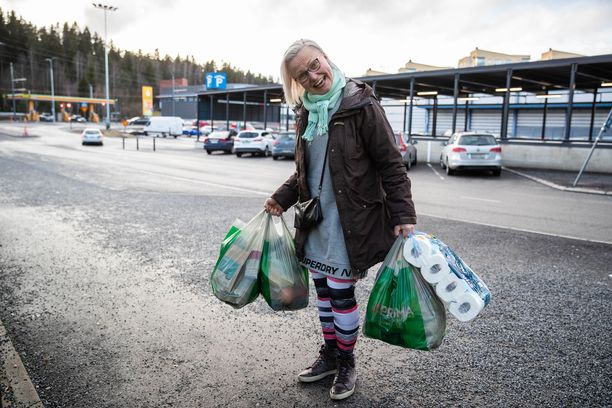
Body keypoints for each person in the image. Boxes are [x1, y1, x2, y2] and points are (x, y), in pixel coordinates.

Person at [264, 39, 417, 401]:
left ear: (325, 56)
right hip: (315, 221)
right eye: (304, 74)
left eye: (315, 64)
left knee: (341, 294)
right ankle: (330, 355)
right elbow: (305, 170)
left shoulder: (360, 104)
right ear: (296, 82)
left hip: (351, 220)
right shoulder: (305, 111)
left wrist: (403, 215)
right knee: (323, 294)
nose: (314, 76)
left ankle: (347, 362)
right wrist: (280, 198)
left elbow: (391, 165)